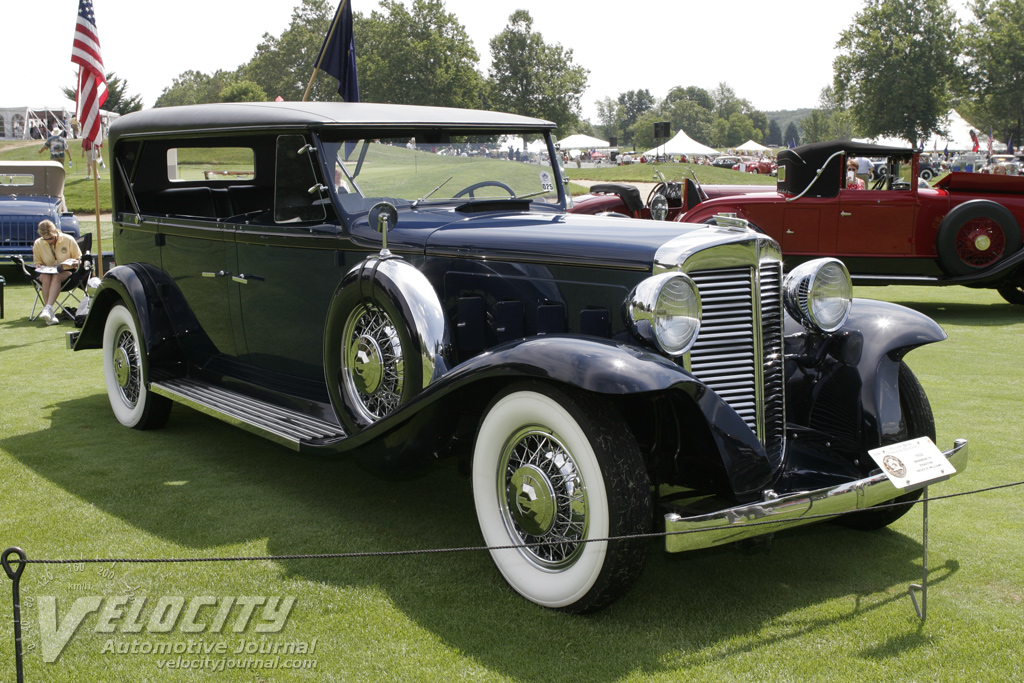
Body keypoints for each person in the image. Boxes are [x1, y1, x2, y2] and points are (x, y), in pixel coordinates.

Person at [32, 220, 82, 325]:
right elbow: (37, 262)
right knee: (46, 277)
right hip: (46, 271)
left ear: (55, 232)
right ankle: (48, 311)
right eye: (46, 239)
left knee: (56, 276)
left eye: (51, 238)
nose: (49, 241)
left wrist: (73, 263)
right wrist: (39, 266)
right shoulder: (38, 243)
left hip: (66, 272)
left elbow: (79, 260)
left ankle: (48, 309)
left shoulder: (68, 239)